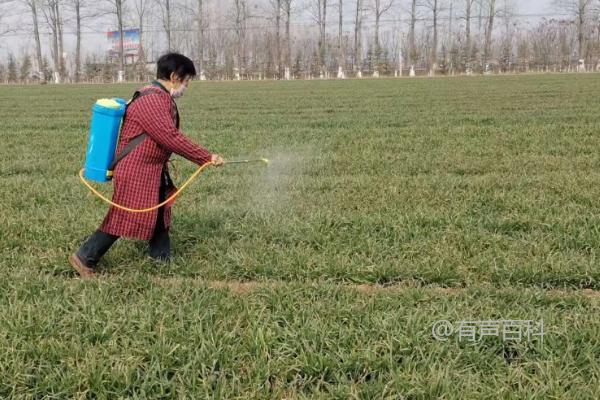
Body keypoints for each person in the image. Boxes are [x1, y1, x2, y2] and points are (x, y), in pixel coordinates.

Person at [69, 53, 224, 278]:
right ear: (173, 76)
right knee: (124, 216)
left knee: (161, 211)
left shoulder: (157, 96)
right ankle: (85, 257)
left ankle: (161, 261)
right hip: (136, 171)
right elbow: (170, 137)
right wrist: (206, 157)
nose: (186, 87)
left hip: (151, 171)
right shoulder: (153, 100)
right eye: (186, 81)